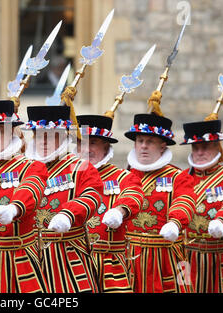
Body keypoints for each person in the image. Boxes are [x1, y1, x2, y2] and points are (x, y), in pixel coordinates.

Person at [0, 100, 49, 293]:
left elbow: (31, 188)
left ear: (11, 133)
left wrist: (15, 208)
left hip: (18, 259)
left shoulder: (31, 166)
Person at [23, 105, 103, 293]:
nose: (43, 141)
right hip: (28, 254)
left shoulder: (80, 166)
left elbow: (92, 195)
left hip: (66, 254)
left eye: (50, 136)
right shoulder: (24, 167)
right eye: (39, 135)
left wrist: (68, 214)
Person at [124, 112, 196, 293]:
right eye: (140, 141)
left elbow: (185, 201)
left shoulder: (179, 176)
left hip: (170, 255)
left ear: (163, 145)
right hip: (132, 256)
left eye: (150, 142)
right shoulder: (125, 176)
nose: (143, 146)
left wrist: (175, 222)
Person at [76, 114, 144, 293]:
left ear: (106, 145)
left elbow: (134, 196)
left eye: (93, 143)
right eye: (81, 142)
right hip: (72, 261)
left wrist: (120, 211)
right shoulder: (68, 177)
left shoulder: (123, 177)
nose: (85, 149)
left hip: (108, 264)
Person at [181, 119, 223, 293]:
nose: (199, 152)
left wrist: (222, 220)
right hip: (185, 257)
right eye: (195, 148)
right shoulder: (181, 178)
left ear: (217, 147)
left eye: (205, 147)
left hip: (219, 257)